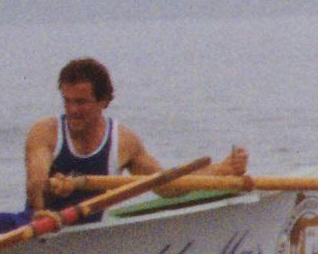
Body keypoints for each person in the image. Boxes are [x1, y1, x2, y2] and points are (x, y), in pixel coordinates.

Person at [25, 55, 250, 214]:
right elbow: (36, 180)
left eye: (81, 102)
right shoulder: (46, 132)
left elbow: (166, 187)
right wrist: (42, 206)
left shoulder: (124, 141)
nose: (72, 110)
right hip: (39, 226)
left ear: (104, 101)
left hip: (89, 235)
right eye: (67, 101)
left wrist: (221, 170)